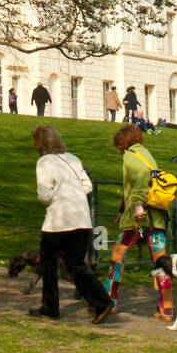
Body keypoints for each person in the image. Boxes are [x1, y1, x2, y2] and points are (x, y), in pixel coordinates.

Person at [27, 125, 115, 323]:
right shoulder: (73, 158)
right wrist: (72, 195)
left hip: (59, 219)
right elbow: (87, 185)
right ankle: (102, 301)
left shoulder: (44, 162)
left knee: (48, 263)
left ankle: (50, 308)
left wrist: (55, 197)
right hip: (81, 218)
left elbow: (44, 193)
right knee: (75, 263)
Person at [104, 124, 172, 319]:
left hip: (138, 220)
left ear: (122, 143)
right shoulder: (147, 154)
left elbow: (140, 183)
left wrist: (137, 207)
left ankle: (110, 301)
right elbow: (135, 186)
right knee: (160, 262)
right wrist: (122, 210)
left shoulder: (129, 156)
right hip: (157, 218)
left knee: (117, 258)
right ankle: (166, 308)